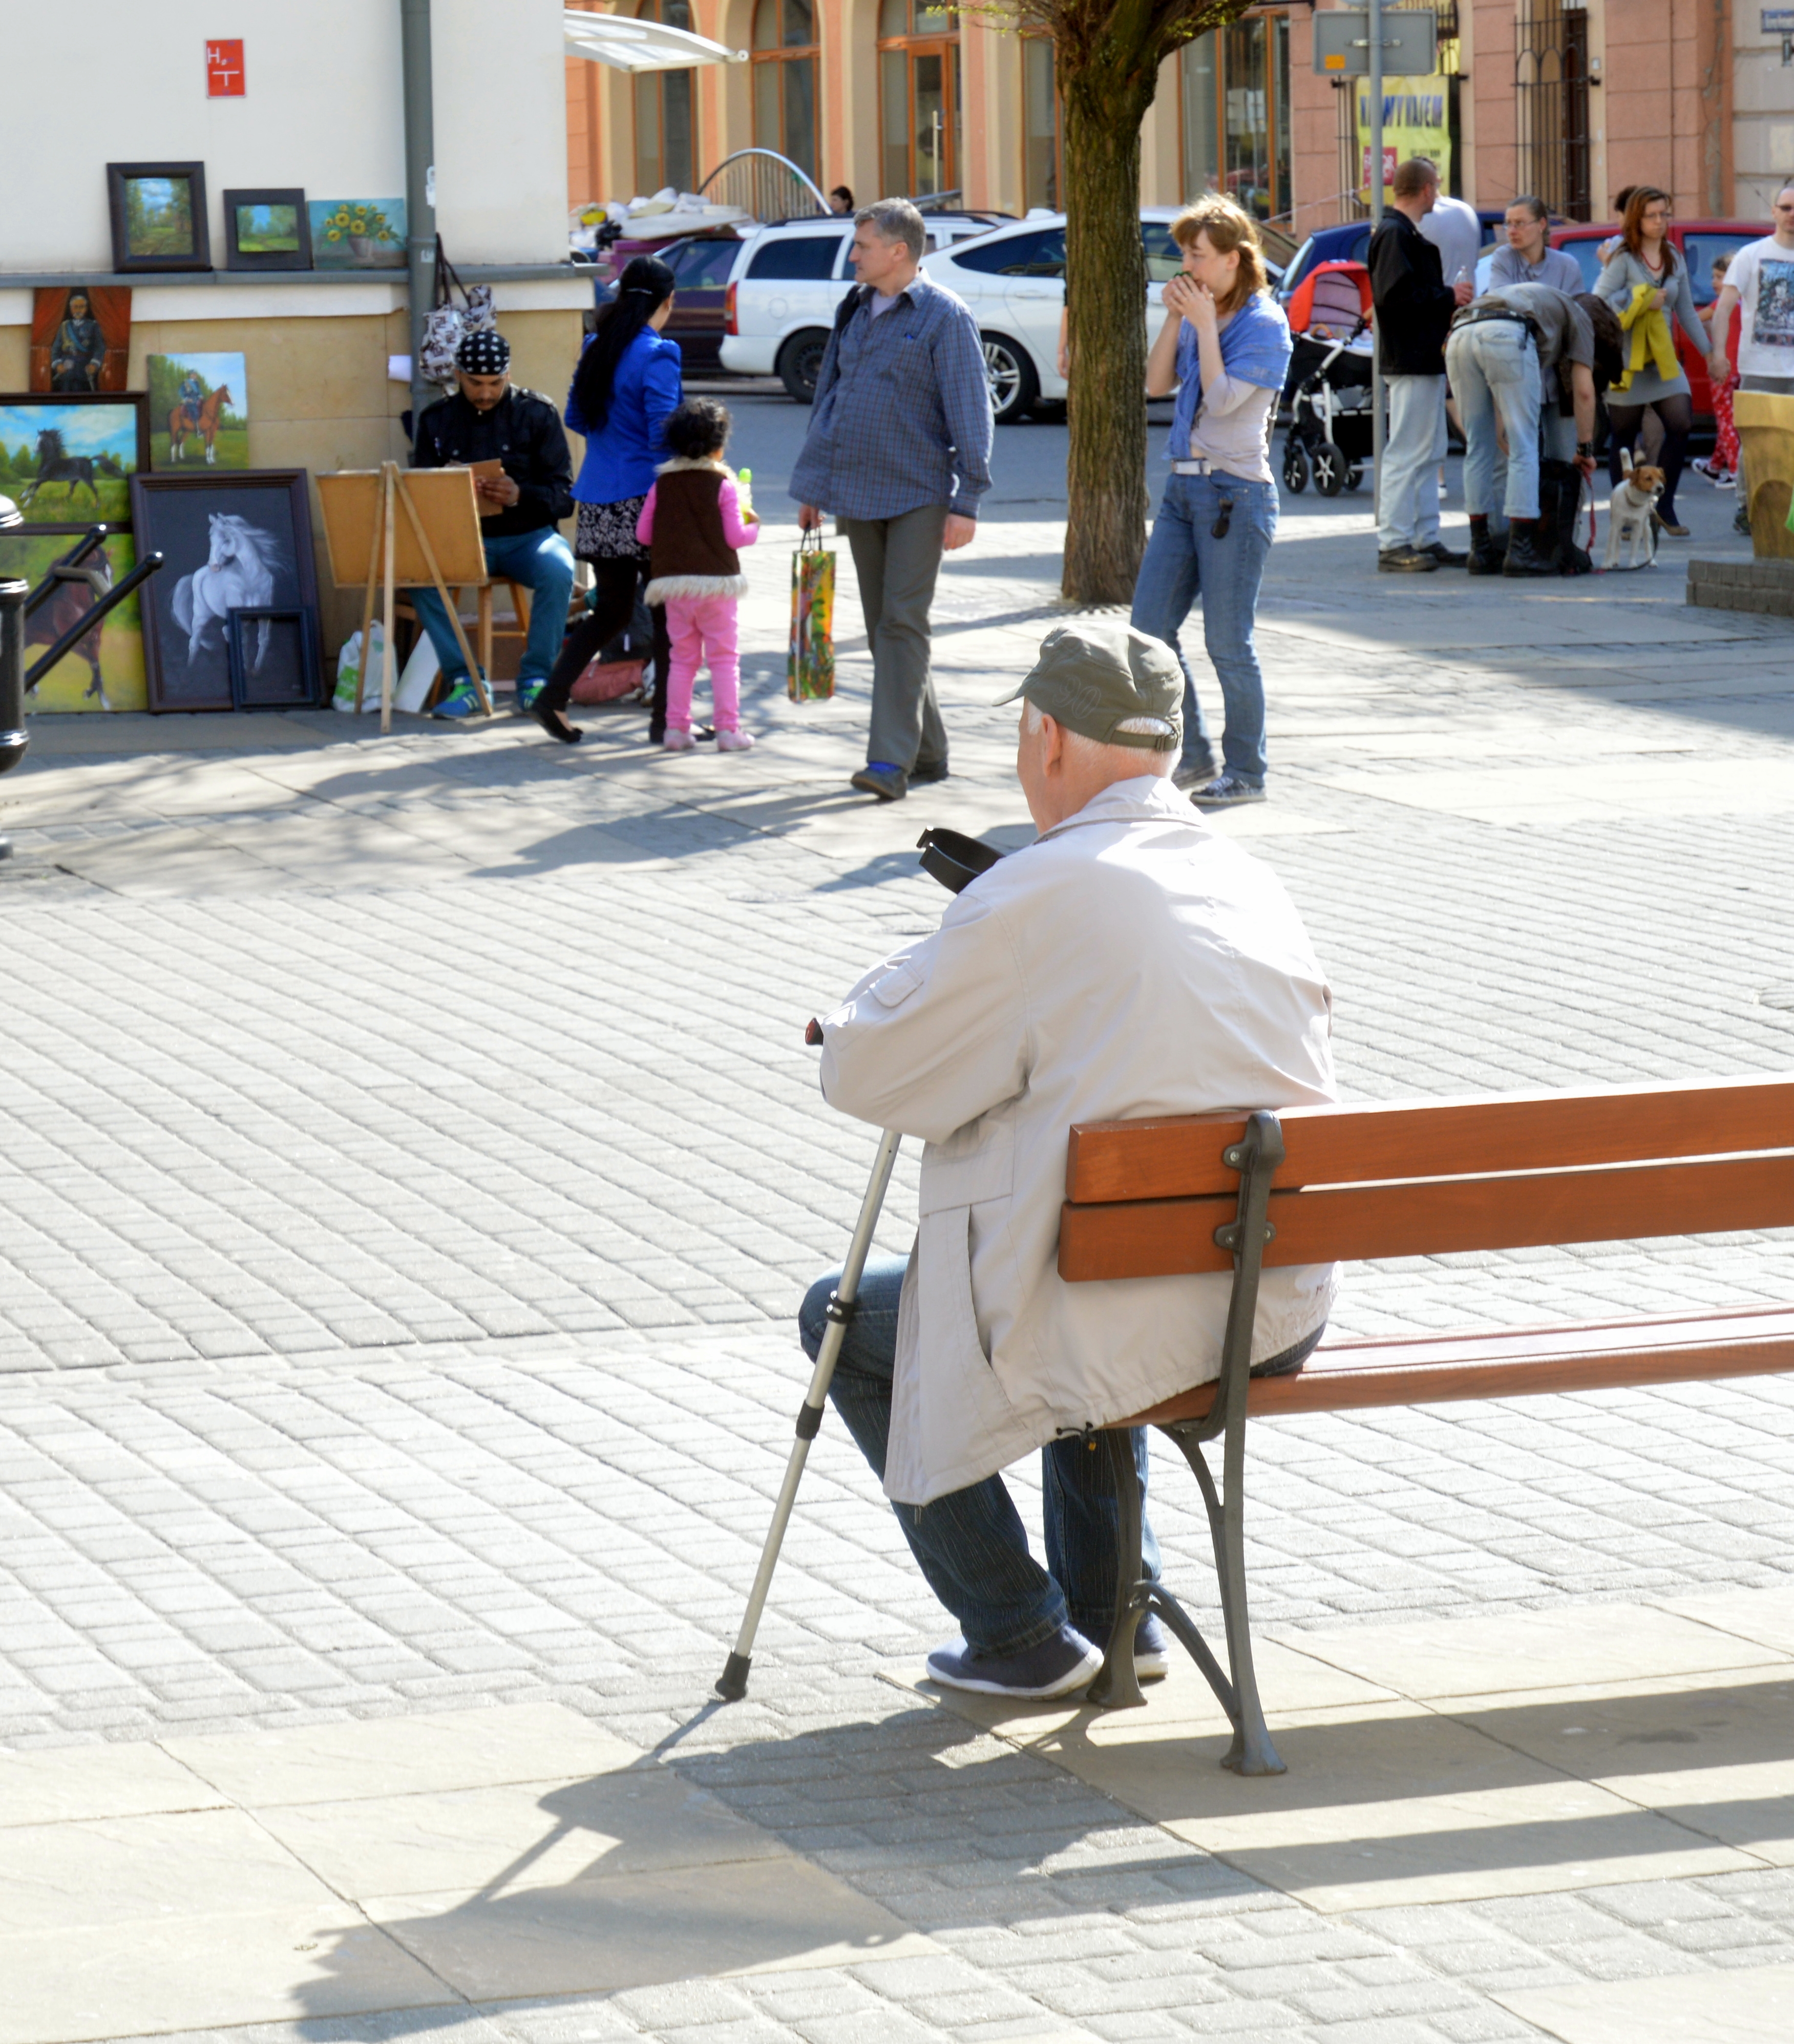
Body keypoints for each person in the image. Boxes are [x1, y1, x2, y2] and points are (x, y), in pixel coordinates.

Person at [800, 620, 1336, 1700]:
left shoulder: (1035, 891)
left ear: (1045, 739)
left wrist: (861, 1020)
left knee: (845, 1319)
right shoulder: (1245, 876)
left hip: (1122, 1297)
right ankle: (1112, 1608)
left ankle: (1016, 1629)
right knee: (1088, 1268)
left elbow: (873, 1081)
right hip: (1268, 1303)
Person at [792, 199, 993, 803]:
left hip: (918, 495)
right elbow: (828, 397)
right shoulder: (852, 309)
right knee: (885, 630)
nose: (852, 255)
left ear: (898, 251)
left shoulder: (943, 316)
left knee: (903, 622)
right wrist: (812, 486)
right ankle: (928, 749)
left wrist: (968, 501)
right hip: (854, 489)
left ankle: (887, 761)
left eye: (862, 246)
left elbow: (971, 412)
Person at [1129, 194, 1292, 810]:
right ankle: (1190, 753)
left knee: (1228, 641)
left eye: (1197, 255)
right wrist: (1175, 319)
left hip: (1234, 496)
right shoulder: (1202, 311)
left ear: (1231, 259)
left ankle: (1245, 771)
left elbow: (1225, 402)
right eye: (1184, 255)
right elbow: (1154, 385)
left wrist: (1201, 324)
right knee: (1147, 628)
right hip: (1182, 488)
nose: (1187, 266)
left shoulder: (1262, 322)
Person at [533, 256, 682, 746]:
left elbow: (576, 416)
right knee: (665, 614)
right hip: (646, 501)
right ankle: (666, 720)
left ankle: (552, 696)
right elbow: (664, 433)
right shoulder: (660, 353)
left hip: (598, 500)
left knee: (613, 610)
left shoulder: (596, 345)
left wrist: (614, 439)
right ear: (667, 302)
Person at [409, 329, 576, 721]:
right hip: (466, 540)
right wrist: (444, 485)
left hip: (529, 538)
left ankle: (536, 680)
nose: (485, 393)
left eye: (495, 383)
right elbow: (416, 498)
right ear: (457, 375)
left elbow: (564, 496)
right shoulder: (437, 420)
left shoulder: (538, 412)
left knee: (560, 569)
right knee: (418, 576)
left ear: (509, 375)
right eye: (475, 384)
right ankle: (465, 681)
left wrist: (520, 494)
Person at [1446, 284, 1619, 576]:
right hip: (1507, 332)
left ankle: (1481, 550)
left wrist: (1502, 426)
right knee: (1525, 447)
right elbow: (1585, 392)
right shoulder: (1581, 320)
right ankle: (1521, 552)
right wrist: (1585, 449)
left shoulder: (1546, 304)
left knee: (1477, 447)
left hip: (1461, 331)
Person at [636, 397, 759, 753]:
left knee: (681, 659)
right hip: (717, 586)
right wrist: (754, 526)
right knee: (723, 658)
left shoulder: (662, 486)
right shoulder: (722, 486)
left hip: (675, 587)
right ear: (719, 448)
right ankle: (728, 730)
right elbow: (736, 537)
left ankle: (675, 730)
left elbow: (644, 536)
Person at [1368, 158, 1474, 573]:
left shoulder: (1398, 232)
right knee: (1409, 451)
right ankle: (1394, 542)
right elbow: (1394, 297)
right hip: (1412, 356)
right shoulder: (1396, 234)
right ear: (1428, 189)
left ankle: (1423, 537)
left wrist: (1442, 297)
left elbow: (1396, 295)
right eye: (1437, 188)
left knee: (1427, 451)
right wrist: (1447, 296)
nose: (1438, 195)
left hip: (1420, 356)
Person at [1594, 187, 1711, 538]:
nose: (1660, 222)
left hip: (1662, 362)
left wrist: (1710, 353)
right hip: (1627, 362)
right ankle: (1627, 515)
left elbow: (1686, 310)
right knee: (1624, 437)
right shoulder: (1623, 258)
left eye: (1664, 214)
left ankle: (1665, 506)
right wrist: (1638, 299)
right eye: (1651, 216)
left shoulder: (1672, 255)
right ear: (1636, 219)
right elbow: (1598, 300)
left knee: (1680, 425)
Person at [1705, 182, 1794, 531]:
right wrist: (1717, 355)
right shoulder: (1751, 255)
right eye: (1785, 208)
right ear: (1773, 212)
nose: (1791, 215)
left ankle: (1785, 512)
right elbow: (1724, 308)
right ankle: (1746, 507)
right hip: (1759, 366)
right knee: (1755, 441)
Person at [1695, 253, 1741, 487]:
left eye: (1719, 277)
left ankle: (1735, 471)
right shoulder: (1744, 301)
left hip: (1724, 369)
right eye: (1713, 276)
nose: (1714, 282)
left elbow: (1692, 320)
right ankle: (1715, 466)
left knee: (1726, 421)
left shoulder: (1721, 303)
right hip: (1741, 369)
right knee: (1729, 419)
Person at [1488, 198, 1584, 293]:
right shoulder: (1504, 257)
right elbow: (1499, 301)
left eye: (1520, 223)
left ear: (1542, 224)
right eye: (1508, 224)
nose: (1511, 231)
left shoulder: (1567, 266)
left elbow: (1574, 306)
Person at [48, 290, 107, 393]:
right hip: (66, 371)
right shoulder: (64, 326)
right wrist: (58, 365)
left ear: (86, 308)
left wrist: (94, 365)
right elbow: (56, 349)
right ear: (71, 308)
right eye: (75, 307)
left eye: (82, 307)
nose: (78, 310)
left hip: (85, 370)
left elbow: (100, 348)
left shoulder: (93, 326)